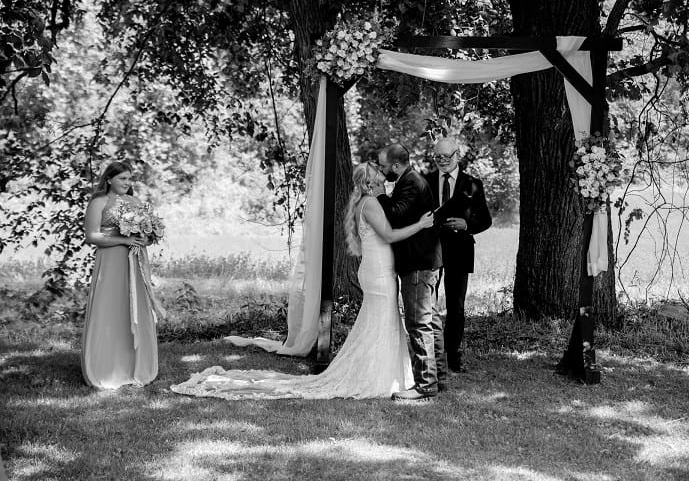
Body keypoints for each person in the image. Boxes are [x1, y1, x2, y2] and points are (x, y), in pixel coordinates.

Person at [170, 162, 433, 399]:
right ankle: (377, 376)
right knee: (381, 322)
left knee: (380, 323)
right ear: (368, 184)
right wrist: (421, 226)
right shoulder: (372, 203)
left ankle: (386, 373)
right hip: (377, 272)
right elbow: (388, 236)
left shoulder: (365, 202)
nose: (384, 184)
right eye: (379, 181)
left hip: (377, 269)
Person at [81, 161, 164, 389]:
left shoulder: (135, 202)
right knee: (110, 307)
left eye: (129, 179)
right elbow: (91, 236)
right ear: (109, 179)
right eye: (122, 179)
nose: (127, 183)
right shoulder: (98, 202)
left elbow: (145, 234)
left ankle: (134, 365)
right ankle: (105, 366)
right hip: (111, 261)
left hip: (135, 261)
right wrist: (123, 240)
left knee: (134, 308)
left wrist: (147, 236)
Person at [377, 143, 444, 400]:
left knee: (419, 324)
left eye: (384, 166)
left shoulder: (410, 183)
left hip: (418, 263)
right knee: (431, 321)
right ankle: (439, 380)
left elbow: (394, 215)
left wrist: (381, 194)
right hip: (426, 261)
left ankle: (425, 385)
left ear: (395, 165)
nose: (383, 171)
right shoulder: (413, 180)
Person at [426, 138, 492, 374]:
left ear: (457, 154)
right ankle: (430, 353)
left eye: (446, 156)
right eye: (438, 157)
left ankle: (453, 355)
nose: (442, 161)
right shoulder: (426, 180)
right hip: (431, 247)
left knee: (456, 306)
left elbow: (486, 219)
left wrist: (467, 224)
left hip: (460, 249)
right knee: (428, 303)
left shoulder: (472, 184)